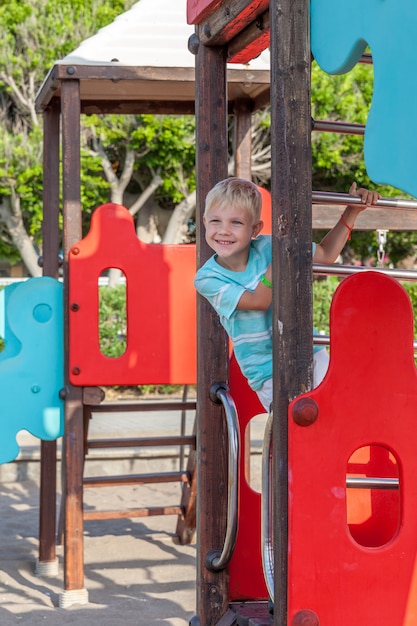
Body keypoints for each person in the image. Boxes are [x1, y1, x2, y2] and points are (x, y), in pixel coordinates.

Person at [194, 177, 381, 413]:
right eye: (215, 221)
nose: (224, 231)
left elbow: (325, 254)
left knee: (338, 414)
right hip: (267, 372)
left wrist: (351, 213)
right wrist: (281, 259)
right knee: (295, 431)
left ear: (255, 229)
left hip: (308, 352)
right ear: (204, 223)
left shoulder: (269, 247)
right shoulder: (208, 278)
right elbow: (258, 301)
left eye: (236, 223)